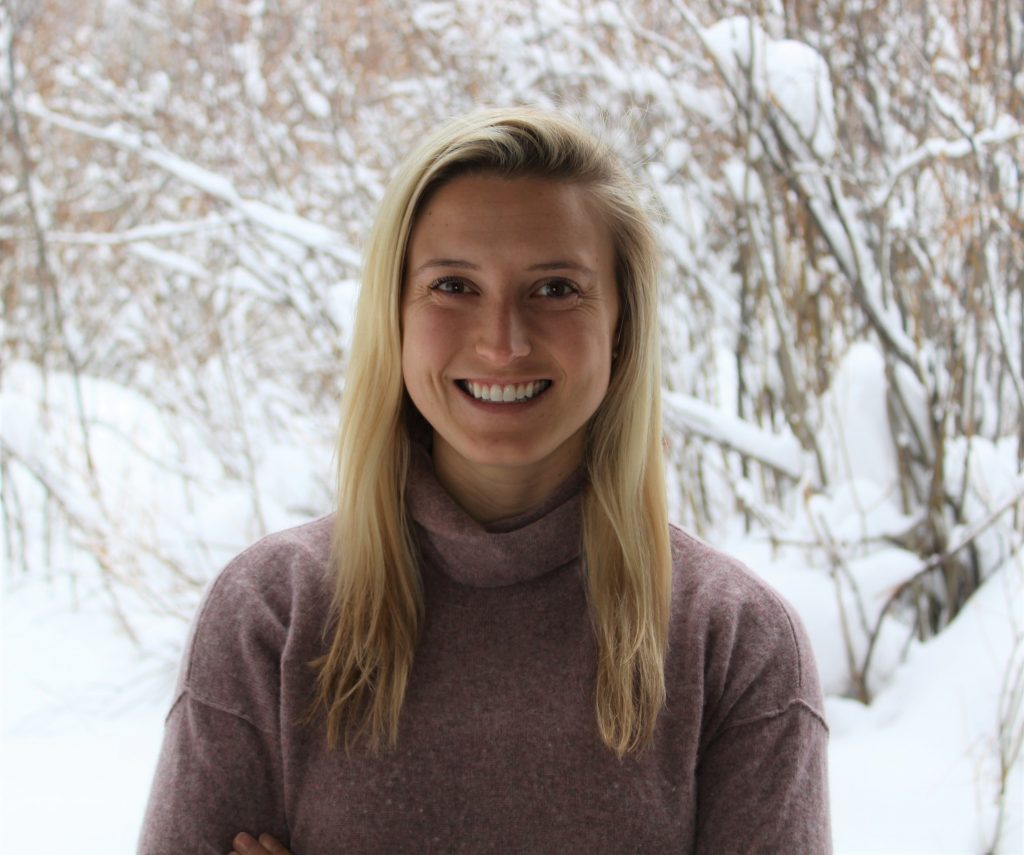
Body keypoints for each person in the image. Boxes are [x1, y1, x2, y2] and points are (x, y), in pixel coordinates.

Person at [138, 107, 831, 854]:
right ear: (394, 315)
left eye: (557, 288)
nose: (503, 340)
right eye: (454, 285)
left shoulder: (736, 643)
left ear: (623, 323)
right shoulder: (271, 616)